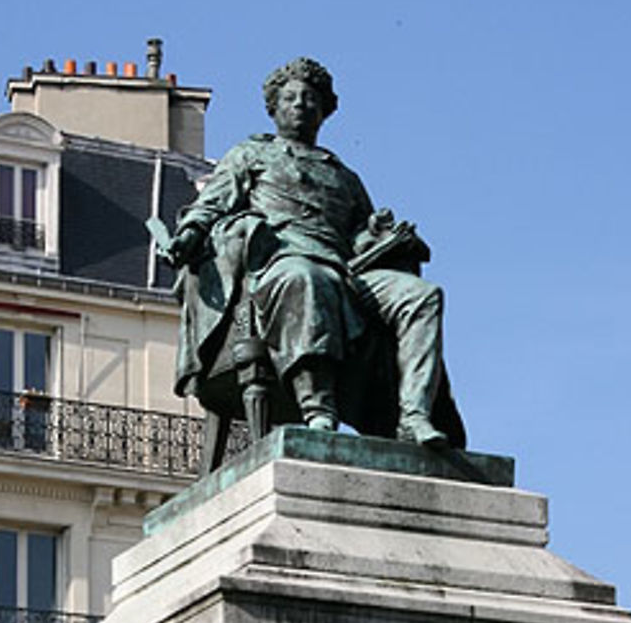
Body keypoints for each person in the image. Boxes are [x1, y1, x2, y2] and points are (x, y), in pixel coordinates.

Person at [166, 57, 466, 451]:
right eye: (290, 97)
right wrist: (189, 234)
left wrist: (386, 238)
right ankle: (318, 409)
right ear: (273, 107)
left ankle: (413, 415)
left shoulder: (342, 175)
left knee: (421, 295)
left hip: (348, 271)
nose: (301, 104)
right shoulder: (251, 155)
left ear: (325, 109)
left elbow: (358, 238)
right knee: (306, 277)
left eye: (310, 98)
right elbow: (212, 204)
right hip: (278, 262)